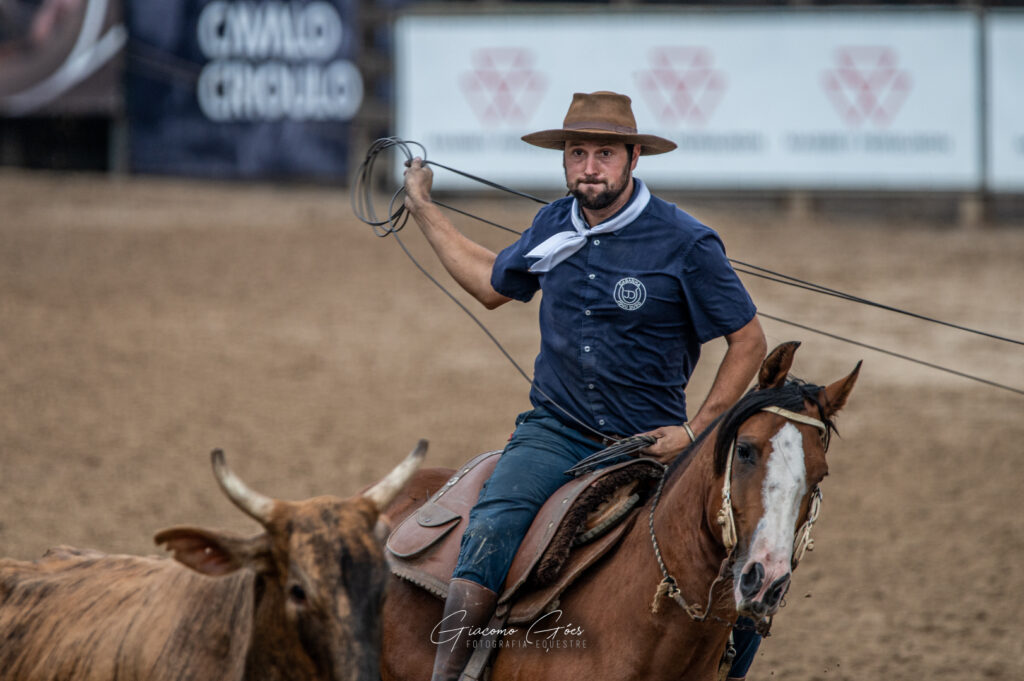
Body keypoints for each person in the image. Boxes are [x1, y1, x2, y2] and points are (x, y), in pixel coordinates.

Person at [402, 91, 768, 681]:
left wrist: (694, 433)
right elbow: (491, 284)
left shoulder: (687, 243)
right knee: (493, 525)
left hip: (653, 441)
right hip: (556, 432)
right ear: (565, 160)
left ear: (633, 160)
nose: (589, 167)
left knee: (744, 555)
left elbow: (748, 341)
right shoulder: (553, 224)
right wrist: (423, 209)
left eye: (604, 153)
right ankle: (451, 674)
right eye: (578, 153)